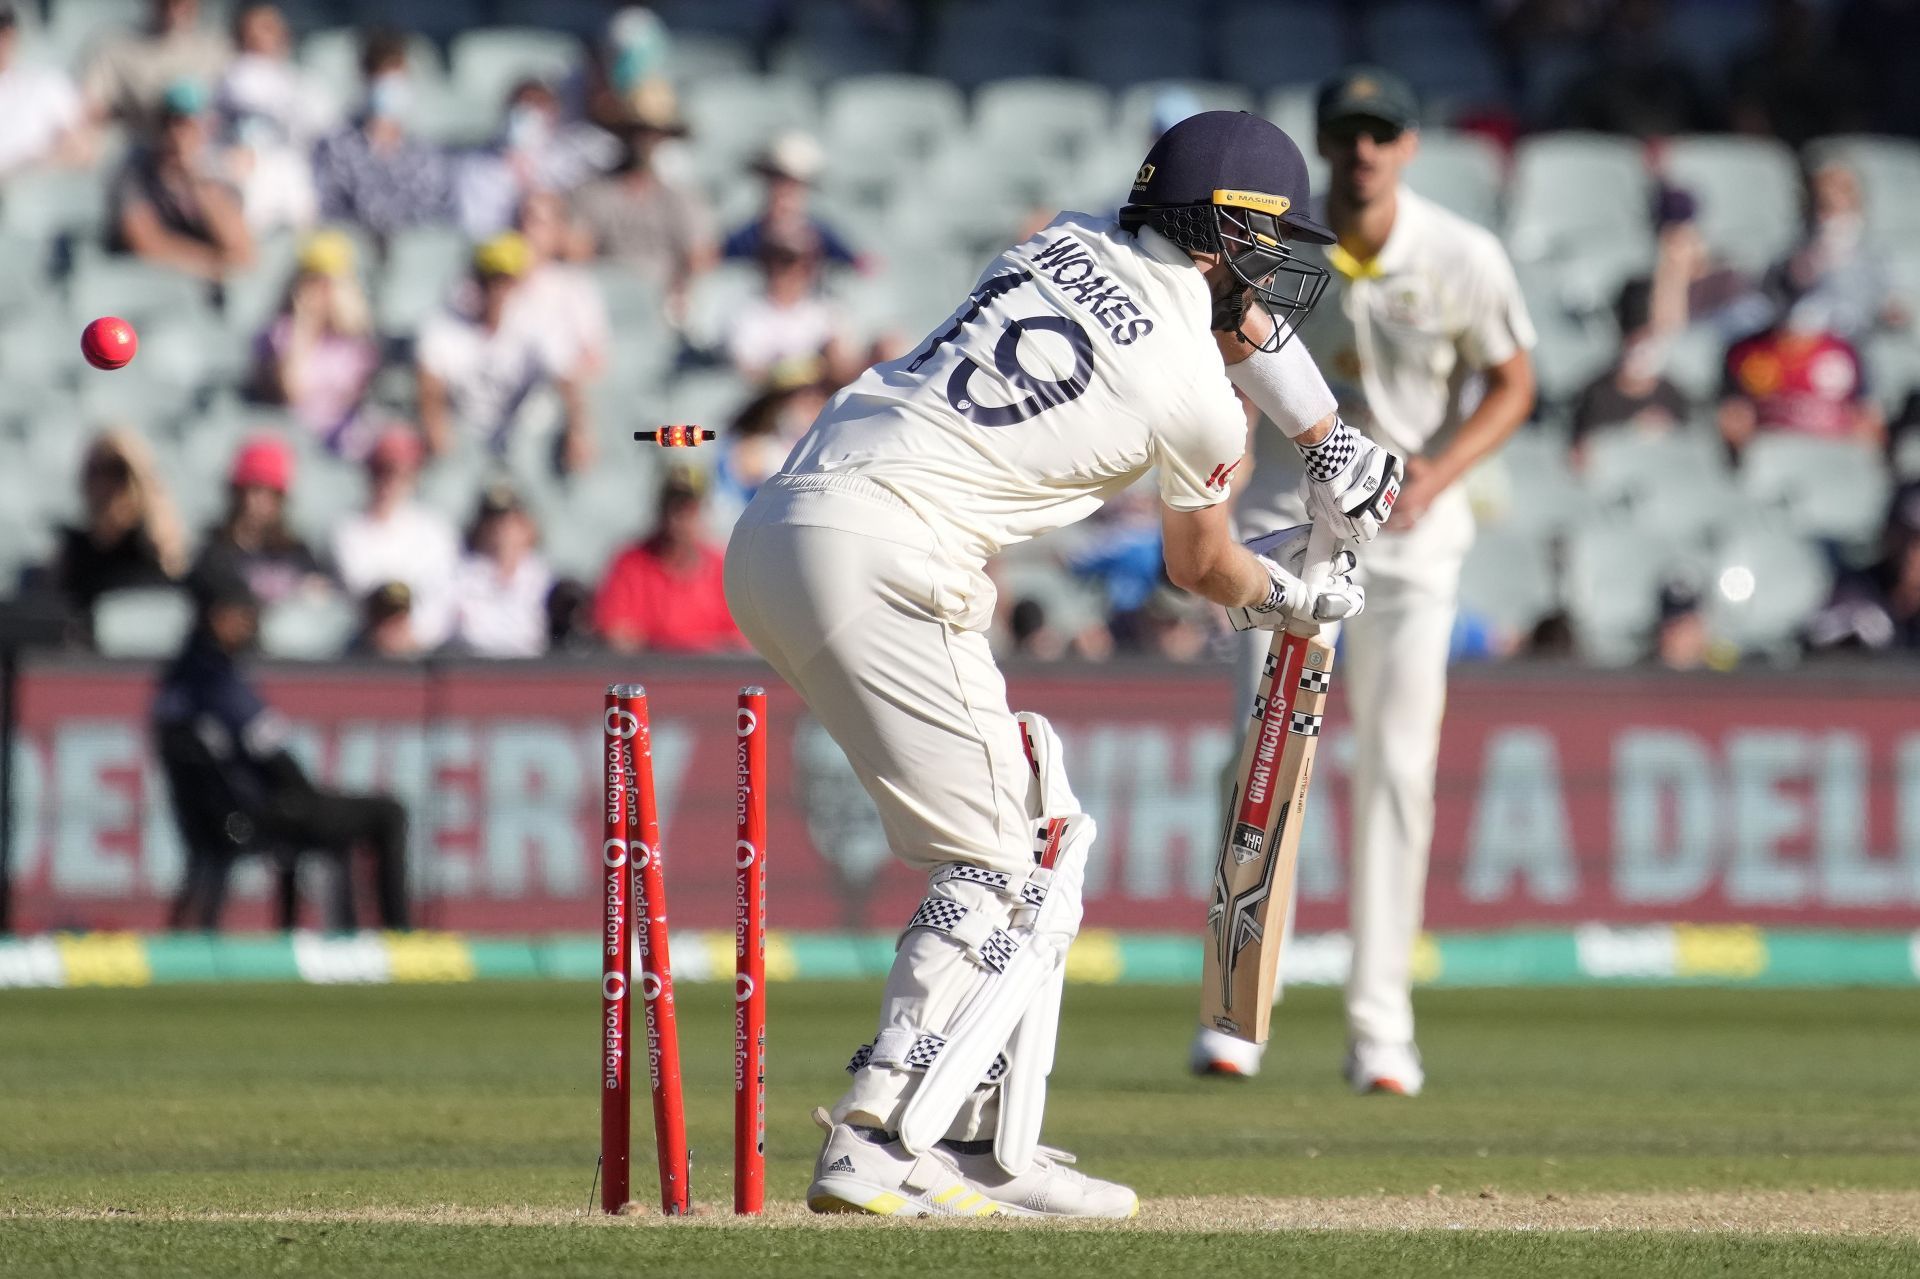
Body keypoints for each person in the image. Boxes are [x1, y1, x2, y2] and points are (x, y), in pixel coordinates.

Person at [723, 110, 1395, 1217]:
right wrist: (1298, 594)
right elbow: (1202, 565)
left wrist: (1324, 443)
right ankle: (879, 1132)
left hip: (785, 524)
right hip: (885, 553)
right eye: (1265, 251)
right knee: (1000, 867)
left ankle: (986, 1142)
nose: (1275, 283)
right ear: (1222, 236)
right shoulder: (1197, 398)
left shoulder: (1061, 240)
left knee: (1042, 818)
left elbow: (1235, 330)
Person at [1192, 69, 1536, 1095]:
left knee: (1395, 772)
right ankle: (1236, 1007)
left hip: (1412, 537)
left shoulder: (1462, 255)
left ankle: (1380, 1025)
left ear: (1408, 146)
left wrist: (1441, 469)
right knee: (1258, 756)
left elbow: (1514, 380)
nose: (1364, 153)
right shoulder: (1279, 242)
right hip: (1281, 523)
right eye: (1348, 135)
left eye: (1382, 134)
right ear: (1326, 144)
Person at [154, 563, 410, 929]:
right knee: (389, 813)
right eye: (241, 613)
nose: (248, 623)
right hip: (256, 813)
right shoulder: (218, 681)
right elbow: (275, 758)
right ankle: (399, 935)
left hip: (214, 819)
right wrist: (307, 798)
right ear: (218, 616)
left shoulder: (177, 680)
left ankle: (302, 926)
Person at [415, 232, 593, 472]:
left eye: (505, 280)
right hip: (466, 439)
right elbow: (430, 389)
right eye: (490, 279)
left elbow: (567, 381)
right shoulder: (443, 327)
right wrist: (435, 423)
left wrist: (578, 430)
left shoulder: (540, 325)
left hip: (524, 441)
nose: (498, 290)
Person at [570, 83, 715, 319]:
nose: (645, 142)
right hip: (605, 306)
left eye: (654, 133)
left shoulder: (683, 200)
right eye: (637, 131)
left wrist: (679, 295)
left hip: (663, 308)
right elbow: (577, 257)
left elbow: (700, 261)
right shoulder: (593, 194)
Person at [311, 27, 452, 244]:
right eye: (380, 78)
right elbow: (328, 211)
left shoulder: (423, 150)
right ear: (365, 80)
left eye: (396, 77)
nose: (389, 87)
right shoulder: (334, 145)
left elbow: (435, 212)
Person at [249, 230, 381, 457]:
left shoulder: (356, 343)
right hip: (291, 440)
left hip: (339, 444)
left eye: (328, 283)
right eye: (313, 280)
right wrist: (305, 324)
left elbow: (354, 398)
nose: (320, 290)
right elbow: (291, 391)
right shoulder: (281, 333)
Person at [109, 79, 255, 281]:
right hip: (150, 281)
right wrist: (212, 265)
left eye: (188, 125)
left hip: (201, 290)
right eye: (170, 123)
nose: (177, 135)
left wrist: (196, 181)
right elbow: (145, 242)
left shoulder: (216, 171)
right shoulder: (135, 168)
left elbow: (241, 252)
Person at [330, 426, 458, 648]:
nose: (389, 481)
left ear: (414, 476)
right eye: (381, 470)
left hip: (426, 648)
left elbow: (444, 595)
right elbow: (364, 592)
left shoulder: (435, 529)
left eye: (399, 472)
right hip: (366, 646)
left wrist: (419, 634)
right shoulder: (348, 530)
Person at [1718, 291, 1884, 459]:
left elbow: (1867, 418)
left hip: (1831, 450)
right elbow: (1733, 415)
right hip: (1772, 452)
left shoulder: (1843, 353)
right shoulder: (1747, 353)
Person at [596, 467, 744, 653]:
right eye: (673, 508)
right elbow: (615, 633)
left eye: (689, 510)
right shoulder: (631, 564)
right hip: (648, 676)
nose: (679, 520)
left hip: (710, 678)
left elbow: (740, 641)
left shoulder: (722, 570)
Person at [54, 429, 189, 626]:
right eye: (97, 472)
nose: (106, 485)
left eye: (117, 472)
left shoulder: (152, 548)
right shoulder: (74, 551)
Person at [454, 78, 617, 239]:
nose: (528, 113)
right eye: (520, 107)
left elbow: (611, 151)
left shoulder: (572, 152)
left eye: (538, 105)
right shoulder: (477, 168)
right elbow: (477, 230)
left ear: (554, 113)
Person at [1770, 161, 1906, 342]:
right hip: (1808, 338)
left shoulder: (1875, 255)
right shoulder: (1797, 251)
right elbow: (1778, 291)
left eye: (1842, 194)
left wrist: (1891, 310)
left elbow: (1889, 297)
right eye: (1821, 202)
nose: (1827, 211)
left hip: (1855, 337)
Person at [191, 434, 328, 606]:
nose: (258, 501)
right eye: (253, 490)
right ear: (237, 493)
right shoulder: (215, 550)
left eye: (270, 493)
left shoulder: (296, 552)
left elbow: (318, 601)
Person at [1569, 279, 1691, 457]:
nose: (1641, 353)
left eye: (1648, 344)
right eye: (1636, 344)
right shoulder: (1593, 396)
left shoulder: (1676, 397)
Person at [727, 223, 858, 384]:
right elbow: (748, 372)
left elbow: (846, 366)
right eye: (782, 260)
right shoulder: (747, 315)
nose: (793, 270)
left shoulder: (828, 311)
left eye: (804, 261)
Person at [81, 0, 230, 133]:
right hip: (138, 150)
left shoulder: (218, 49)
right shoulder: (116, 46)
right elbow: (92, 110)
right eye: (166, 3)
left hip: (201, 154)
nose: (174, 9)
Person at [722, 131, 864, 271]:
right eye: (777, 181)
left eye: (792, 185)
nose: (784, 192)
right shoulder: (748, 236)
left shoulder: (820, 234)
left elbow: (857, 264)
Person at [449, 483, 552, 657]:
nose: (501, 531)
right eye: (493, 522)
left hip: (531, 674)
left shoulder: (544, 580)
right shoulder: (460, 578)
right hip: (475, 673)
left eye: (510, 522)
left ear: (526, 526)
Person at [0, 2, 95, 178]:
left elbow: (84, 150)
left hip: (33, 192)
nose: (3, 40)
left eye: (4, 31)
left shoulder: (47, 85)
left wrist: (31, 168)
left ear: (13, 34)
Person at [346, 580, 420, 659]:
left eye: (400, 618)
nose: (394, 625)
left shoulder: (424, 659)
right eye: (386, 616)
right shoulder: (351, 656)